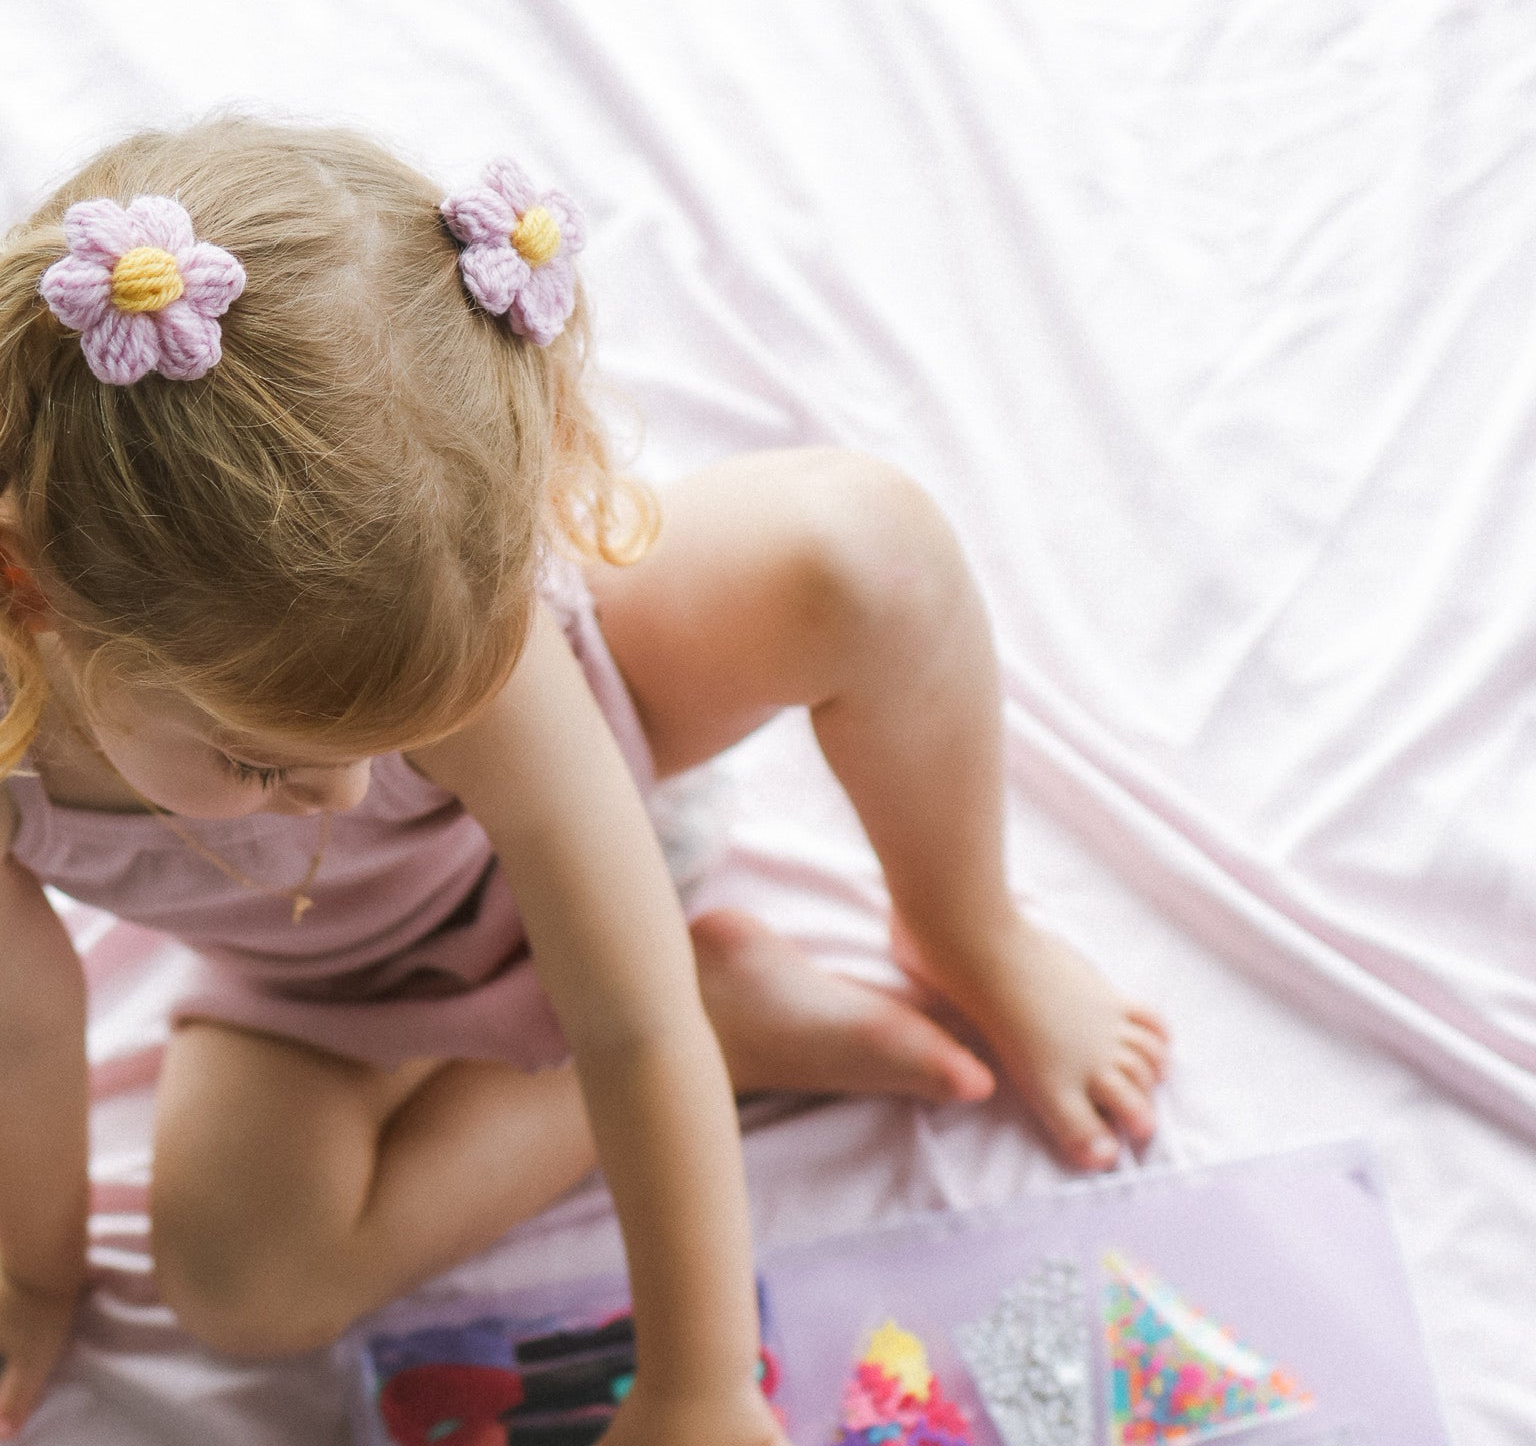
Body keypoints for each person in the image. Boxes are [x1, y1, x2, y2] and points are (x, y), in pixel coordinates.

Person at [0, 116, 1168, 1443]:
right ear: (30, 591)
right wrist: (35, 1279)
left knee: (865, 549)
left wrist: (698, 1385)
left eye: (390, 739)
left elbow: (628, 1017)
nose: (342, 802)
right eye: (265, 764)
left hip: (597, 809)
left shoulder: (449, 640)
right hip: (322, 980)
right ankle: (740, 1016)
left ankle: (967, 924)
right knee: (237, 1288)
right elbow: (26, 1040)